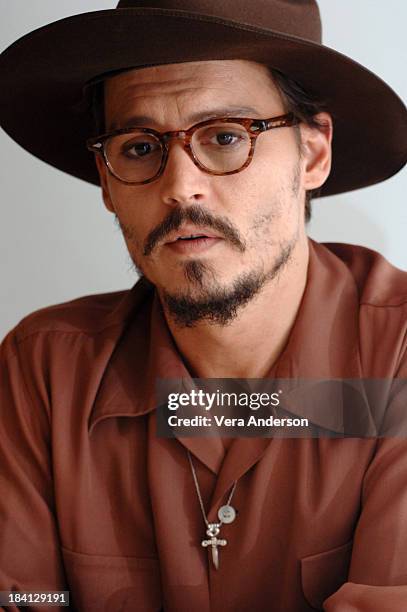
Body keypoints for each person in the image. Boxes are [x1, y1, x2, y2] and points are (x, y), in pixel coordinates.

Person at [0, 1, 406, 610]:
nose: (180, 186)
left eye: (224, 137)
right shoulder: (46, 371)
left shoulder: (396, 356)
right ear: (106, 181)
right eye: (139, 147)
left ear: (314, 153)